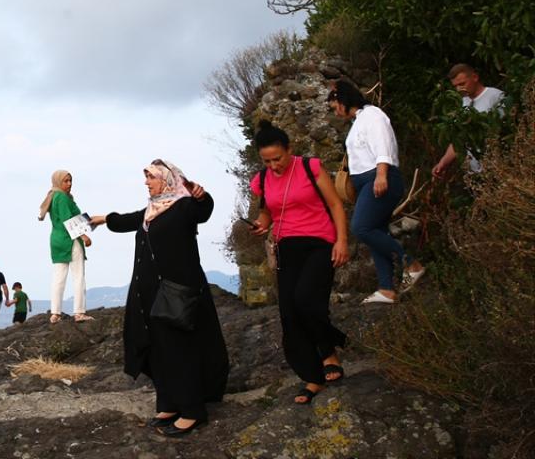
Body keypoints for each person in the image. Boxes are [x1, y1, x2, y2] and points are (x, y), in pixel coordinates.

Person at [89, 160, 228, 437]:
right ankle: (168, 403)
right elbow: (126, 220)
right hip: (150, 294)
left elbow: (204, 210)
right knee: (158, 348)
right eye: (146, 177)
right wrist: (102, 219)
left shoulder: (184, 206)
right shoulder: (151, 211)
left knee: (179, 349)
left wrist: (203, 195)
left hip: (178, 293)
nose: (146, 182)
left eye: (151, 177)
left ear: (166, 179)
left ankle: (192, 411)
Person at [248, 121, 350, 405]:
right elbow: (268, 213)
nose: (274, 165)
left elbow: (335, 205)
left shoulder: (310, 167)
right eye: (267, 161)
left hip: (319, 242)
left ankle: (329, 351)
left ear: (289, 150)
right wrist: (260, 225)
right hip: (286, 247)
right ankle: (312, 377)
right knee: (289, 313)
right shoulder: (263, 179)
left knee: (306, 300)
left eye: (278, 158)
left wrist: (342, 241)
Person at [328, 81, 425, 304]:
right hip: (366, 183)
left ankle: (411, 263)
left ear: (343, 101)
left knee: (361, 227)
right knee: (374, 231)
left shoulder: (373, 115)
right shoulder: (358, 121)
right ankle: (386, 289)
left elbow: (383, 147)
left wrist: (381, 175)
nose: (335, 111)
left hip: (380, 178)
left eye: (335, 106)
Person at [432, 64, 507, 178]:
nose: (459, 89)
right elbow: (459, 139)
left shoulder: (495, 96)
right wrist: (443, 162)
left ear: (475, 77)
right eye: (455, 86)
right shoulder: (463, 103)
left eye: (462, 84)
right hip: (475, 173)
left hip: (499, 168)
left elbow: (505, 130)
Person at [38, 170, 93, 323]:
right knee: (78, 276)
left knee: (58, 277)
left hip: (56, 240)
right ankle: (79, 312)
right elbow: (67, 219)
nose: (69, 184)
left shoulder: (53, 196)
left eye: (70, 181)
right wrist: (83, 235)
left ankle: (55, 313)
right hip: (70, 239)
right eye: (65, 181)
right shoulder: (62, 197)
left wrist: (92, 222)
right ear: (57, 182)